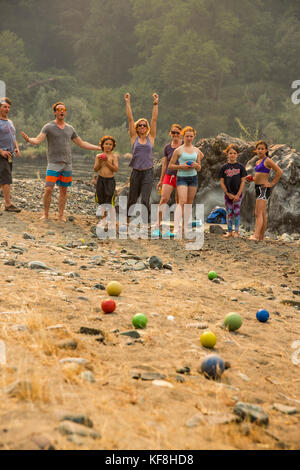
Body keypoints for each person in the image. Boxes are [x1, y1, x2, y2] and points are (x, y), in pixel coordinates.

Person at [22, 102, 101, 221]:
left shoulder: (70, 128)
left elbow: (81, 143)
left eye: (63, 109)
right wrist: (29, 140)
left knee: (63, 190)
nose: (61, 111)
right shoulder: (48, 127)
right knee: (49, 189)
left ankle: (60, 215)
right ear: (55, 112)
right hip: (53, 163)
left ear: (65, 112)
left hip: (67, 164)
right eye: (59, 109)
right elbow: (38, 140)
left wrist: (97, 147)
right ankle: (46, 214)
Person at [124, 92, 158, 226]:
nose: (142, 127)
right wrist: (127, 102)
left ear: (147, 128)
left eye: (144, 125)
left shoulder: (151, 138)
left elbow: (154, 120)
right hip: (136, 172)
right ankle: (126, 221)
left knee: (145, 199)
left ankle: (146, 223)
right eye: (140, 125)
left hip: (148, 172)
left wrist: (155, 103)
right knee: (132, 198)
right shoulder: (134, 138)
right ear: (137, 128)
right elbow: (130, 119)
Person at [168, 126, 204, 236]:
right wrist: (182, 166)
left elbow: (199, 168)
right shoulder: (178, 150)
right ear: (183, 136)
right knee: (181, 202)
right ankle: (176, 227)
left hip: (193, 178)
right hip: (181, 177)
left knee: (189, 203)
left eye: (191, 136)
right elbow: (170, 166)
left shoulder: (197, 150)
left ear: (194, 137)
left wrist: (196, 165)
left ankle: (185, 227)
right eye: (187, 136)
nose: (189, 138)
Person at [151, 124, 182, 238]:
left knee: (179, 201)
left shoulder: (184, 146)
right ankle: (157, 223)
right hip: (169, 175)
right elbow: (165, 164)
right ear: (170, 134)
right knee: (164, 198)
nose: (175, 135)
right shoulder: (167, 147)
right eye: (173, 132)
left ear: (181, 134)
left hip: (181, 176)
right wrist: (161, 179)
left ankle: (176, 226)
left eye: (177, 133)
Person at [249, 140, 282, 241]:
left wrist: (271, 183)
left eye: (262, 149)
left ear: (266, 150)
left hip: (263, 188)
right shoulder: (258, 161)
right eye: (258, 149)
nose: (260, 150)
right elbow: (259, 175)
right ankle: (261, 237)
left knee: (258, 213)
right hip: (257, 187)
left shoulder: (267, 160)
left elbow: (279, 171)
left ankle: (256, 235)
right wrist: (252, 178)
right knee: (262, 213)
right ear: (256, 150)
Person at [219, 144, 247, 238]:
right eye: (230, 153)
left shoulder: (241, 167)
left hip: (238, 194)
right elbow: (222, 182)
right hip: (228, 195)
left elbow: (243, 181)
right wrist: (227, 193)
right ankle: (230, 231)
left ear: (237, 154)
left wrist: (238, 194)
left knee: (237, 212)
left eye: (234, 153)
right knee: (229, 212)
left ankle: (236, 231)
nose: (232, 155)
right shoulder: (224, 167)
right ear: (227, 154)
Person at [0, 97, 21, 212]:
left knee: (3, 179)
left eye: (8, 107)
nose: (7, 109)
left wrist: (17, 148)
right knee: (6, 178)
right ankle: (8, 205)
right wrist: (1, 151)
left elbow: (13, 137)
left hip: (9, 155)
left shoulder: (10, 122)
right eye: (4, 107)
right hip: (1, 154)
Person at [94, 135, 118, 226]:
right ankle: (104, 220)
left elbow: (115, 169)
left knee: (109, 201)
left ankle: (112, 221)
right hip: (101, 180)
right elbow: (95, 169)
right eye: (106, 144)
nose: (108, 146)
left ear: (113, 146)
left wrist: (107, 161)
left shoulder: (114, 156)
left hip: (110, 181)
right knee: (102, 200)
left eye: (110, 144)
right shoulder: (98, 156)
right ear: (102, 145)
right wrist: (101, 161)